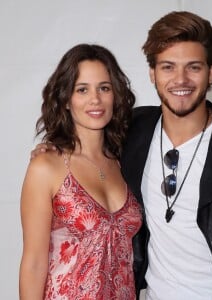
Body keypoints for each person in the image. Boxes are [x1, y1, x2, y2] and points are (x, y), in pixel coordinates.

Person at [31, 11, 212, 300]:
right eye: (168, 67)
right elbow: (87, 139)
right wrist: (53, 146)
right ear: (152, 73)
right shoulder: (134, 131)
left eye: (194, 67)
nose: (181, 79)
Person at [19, 44, 142, 299]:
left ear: (115, 95)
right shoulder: (47, 166)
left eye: (104, 88)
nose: (95, 99)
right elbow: (33, 264)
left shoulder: (125, 162)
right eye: (82, 89)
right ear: (65, 99)